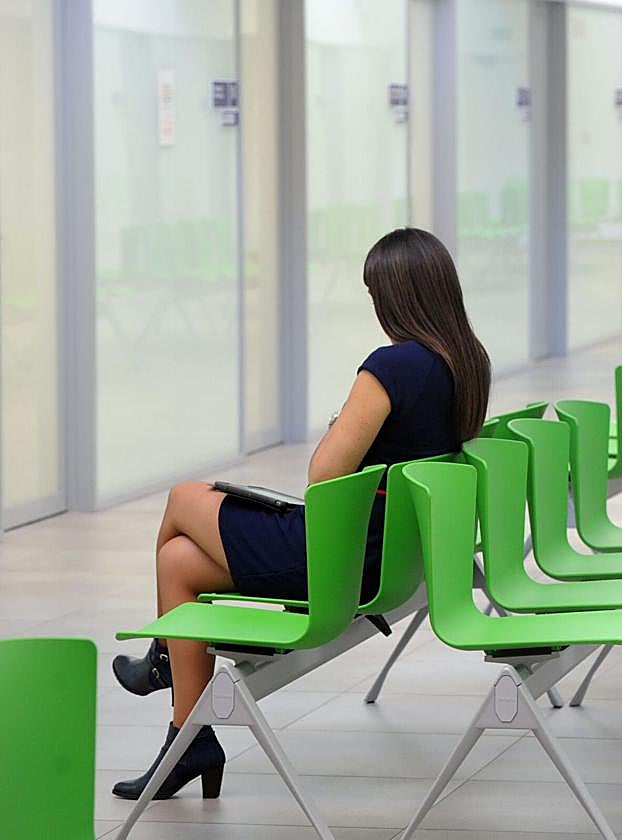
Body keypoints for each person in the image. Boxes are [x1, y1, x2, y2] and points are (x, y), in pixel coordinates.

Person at [109, 227, 491, 801]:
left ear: (396, 296)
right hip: (388, 557)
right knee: (180, 562)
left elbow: (323, 474)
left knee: (184, 497)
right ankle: (188, 738)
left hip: (335, 560)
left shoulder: (390, 367)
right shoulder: (465, 363)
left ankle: (163, 659)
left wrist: (340, 424)